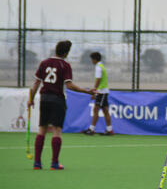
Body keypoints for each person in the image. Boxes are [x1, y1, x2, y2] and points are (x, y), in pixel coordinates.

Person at [28, 40, 96, 170]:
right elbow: (69, 85)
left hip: (44, 98)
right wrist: (86, 91)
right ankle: (54, 163)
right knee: (57, 130)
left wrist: (30, 99)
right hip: (57, 99)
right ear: (66, 53)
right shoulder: (64, 65)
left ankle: (37, 163)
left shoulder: (44, 63)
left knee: (42, 129)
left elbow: (36, 83)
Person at [82, 52, 114, 135]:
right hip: (103, 91)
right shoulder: (101, 66)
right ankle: (109, 130)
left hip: (101, 92)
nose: (92, 61)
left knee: (96, 109)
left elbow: (98, 80)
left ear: (95, 59)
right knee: (105, 110)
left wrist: (94, 92)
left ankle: (92, 129)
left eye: (92, 59)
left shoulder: (98, 67)